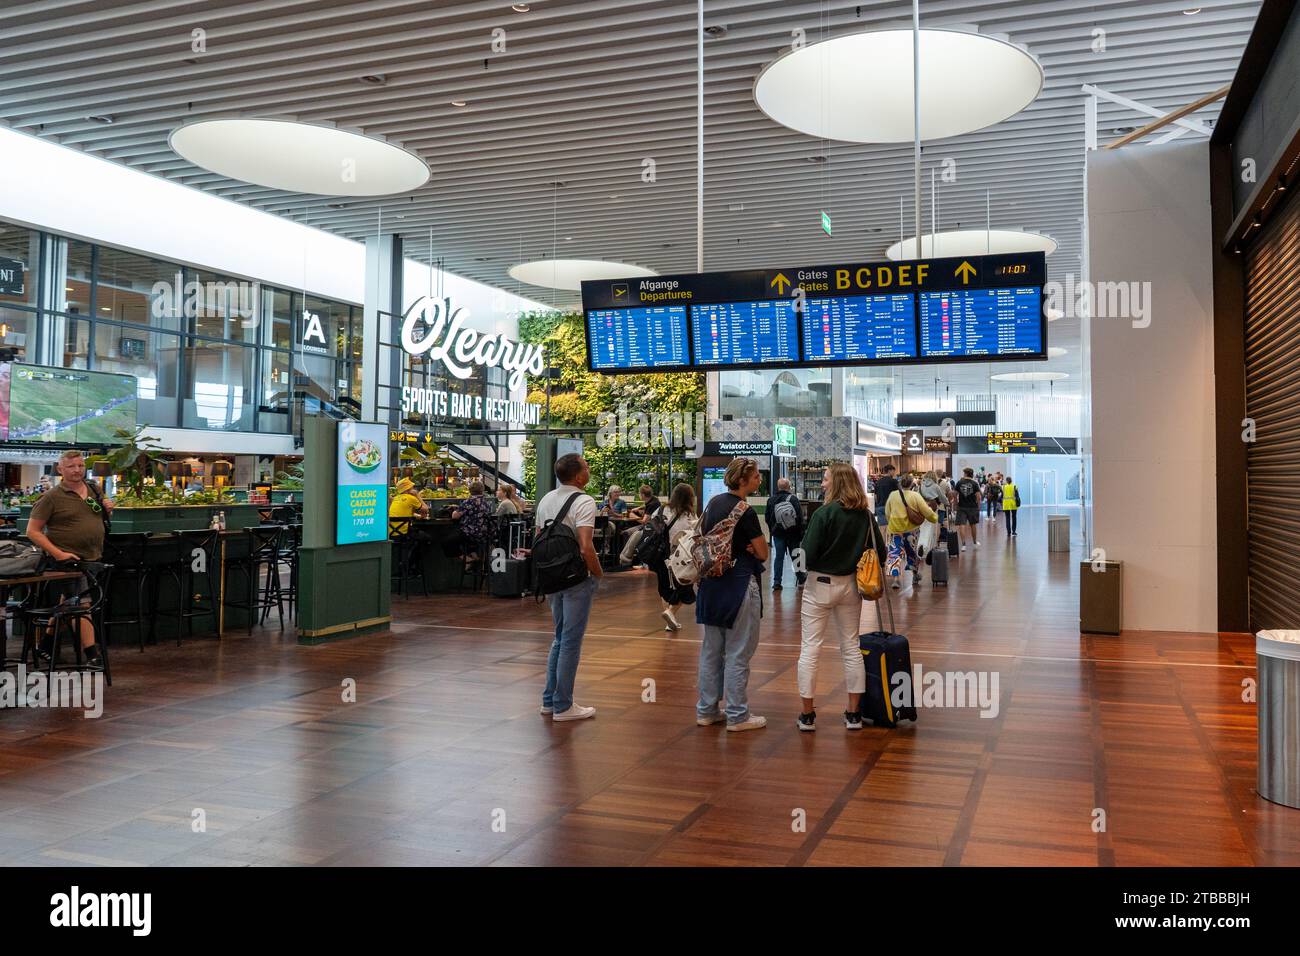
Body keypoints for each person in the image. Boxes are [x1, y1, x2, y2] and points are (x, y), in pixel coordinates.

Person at [796, 463, 887, 732]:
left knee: (810, 648)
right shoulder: (866, 517)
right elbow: (880, 554)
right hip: (851, 586)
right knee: (850, 648)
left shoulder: (823, 514)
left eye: (825, 480)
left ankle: (808, 716)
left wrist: (797, 566)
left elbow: (807, 555)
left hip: (819, 586)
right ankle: (853, 714)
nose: (823, 484)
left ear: (836, 483)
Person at [696, 457, 768, 732]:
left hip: (711, 584)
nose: (759, 480)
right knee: (738, 652)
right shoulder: (744, 511)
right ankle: (737, 715)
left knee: (711, 652)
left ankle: (707, 710)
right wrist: (750, 549)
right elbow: (762, 552)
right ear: (742, 480)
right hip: (738, 586)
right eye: (756, 476)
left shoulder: (713, 504)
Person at [24, 449, 114, 670]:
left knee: (70, 601)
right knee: (82, 605)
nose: (77, 470)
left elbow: (98, 517)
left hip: (92, 556)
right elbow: (32, 531)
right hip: (67, 561)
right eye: (72, 467)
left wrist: (108, 509)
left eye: (81, 466)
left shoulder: (94, 488)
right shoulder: (51, 497)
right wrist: (59, 554)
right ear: (60, 469)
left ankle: (45, 644)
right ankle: (92, 655)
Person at [535, 453, 603, 721]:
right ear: (578, 476)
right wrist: (598, 573)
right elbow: (586, 546)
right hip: (576, 578)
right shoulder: (584, 501)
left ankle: (549, 701)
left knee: (560, 638)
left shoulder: (546, 499)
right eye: (586, 467)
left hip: (551, 576)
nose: (588, 470)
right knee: (571, 642)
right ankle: (563, 705)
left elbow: (539, 536)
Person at [651, 483, 698, 631]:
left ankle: (669, 621)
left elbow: (651, 527)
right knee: (684, 588)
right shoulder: (689, 515)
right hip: (680, 558)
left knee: (665, 588)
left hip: (659, 555)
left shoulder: (660, 509)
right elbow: (694, 535)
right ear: (689, 497)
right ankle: (670, 612)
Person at [885, 474, 938, 590]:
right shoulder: (915, 496)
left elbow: (887, 512)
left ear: (900, 484)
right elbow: (926, 511)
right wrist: (934, 518)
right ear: (911, 484)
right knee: (912, 552)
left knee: (895, 553)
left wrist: (891, 522)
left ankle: (895, 580)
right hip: (911, 530)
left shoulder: (893, 495)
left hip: (895, 530)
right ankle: (915, 576)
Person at [767, 476, 806, 592]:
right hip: (793, 534)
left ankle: (777, 582)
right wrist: (800, 532)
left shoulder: (771, 500)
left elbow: (767, 518)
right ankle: (801, 577)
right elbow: (799, 517)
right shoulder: (793, 499)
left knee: (778, 557)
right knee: (796, 555)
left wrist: (773, 529)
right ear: (789, 487)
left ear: (778, 487)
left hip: (778, 534)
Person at [450, 480, 493, 558]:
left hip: (470, 533)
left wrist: (454, 509)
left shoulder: (469, 502)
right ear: (482, 490)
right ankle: (474, 556)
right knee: (466, 541)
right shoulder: (487, 503)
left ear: (470, 490)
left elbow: (455, 516)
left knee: (447, 541)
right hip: (484, 534)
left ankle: (468, 560)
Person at [953, 467, 982, 550]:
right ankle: (975, 542)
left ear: (965, 473)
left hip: (961, 506)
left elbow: (954, 494)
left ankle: (963, 545)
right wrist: (979, 506)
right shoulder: (975, 483)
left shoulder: (959, 482)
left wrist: (955, 503)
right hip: (973, 507)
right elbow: (978, 496)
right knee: (973, 524)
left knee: (962, 525)